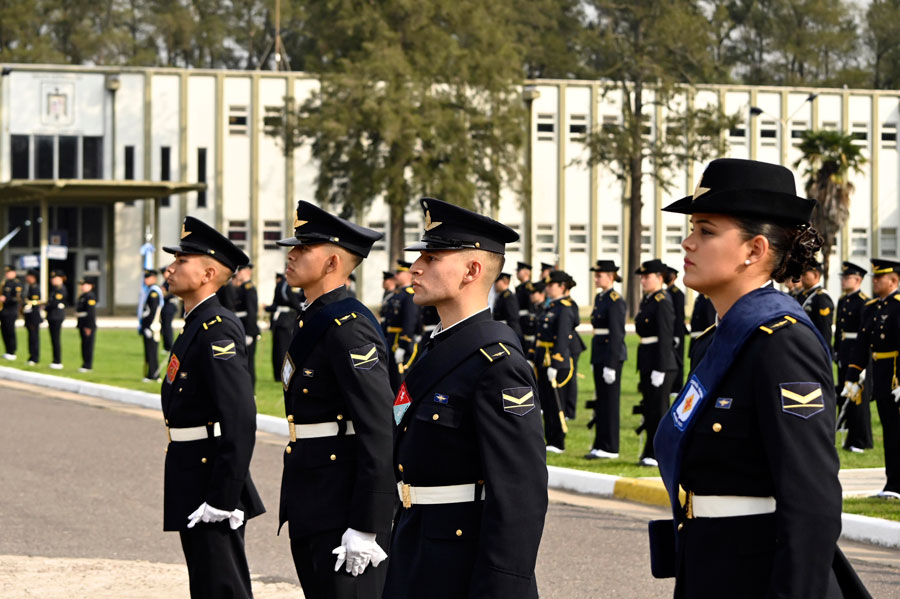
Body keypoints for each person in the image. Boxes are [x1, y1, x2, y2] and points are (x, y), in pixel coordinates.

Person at [652, 158, 864, 598]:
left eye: (706, 231)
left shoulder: (780, 342)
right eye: (692, 229)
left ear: (755, 250)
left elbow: (811, 502)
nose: (687, 243)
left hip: (759, 576)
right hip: (710, 567)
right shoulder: (719, 340)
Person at [383, 197, 547, 599]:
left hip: (461, 565)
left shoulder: (497, 364)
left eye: (433, 257)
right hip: (415, 545)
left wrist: (501, 588)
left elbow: (520, 493)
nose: (415, 267)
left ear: (472, 270)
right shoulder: (441, 346)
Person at [275, 201, 395, 598]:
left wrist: (367, 523)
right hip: (312, 496)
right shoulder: (312, 317)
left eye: (302, 248)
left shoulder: (349, 327)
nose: (291, 254)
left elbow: (378, 427)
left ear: (331, 263)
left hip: (342, 504)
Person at [160, 216, 265, 599]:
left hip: (210, 475)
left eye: (181, 261)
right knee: (206, 581)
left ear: (207, 272)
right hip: (192, 465)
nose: (170, 267)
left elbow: (239, 418)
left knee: (222, 584)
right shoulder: (195, 323)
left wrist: (223, 496)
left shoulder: (217, 326)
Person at [843, 258, 900, 500]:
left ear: (894, 280)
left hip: (897, 376)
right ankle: (892, 483)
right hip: (881, 376)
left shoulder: (898, 306)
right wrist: (851, 377)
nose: (875, 281)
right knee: (889, 432)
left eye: (880, 278)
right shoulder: (873, 307)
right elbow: (862, 345)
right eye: (874, 278)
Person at [634, 259, 677, 467]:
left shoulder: (662, 301)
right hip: (648, 360)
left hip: (661, 364)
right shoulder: (649, 300)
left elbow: (666, 336)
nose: (643, 280)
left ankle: (658, 453)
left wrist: (660, 368)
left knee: (659, 411)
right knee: (650, 409)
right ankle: (649, 451)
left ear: (659, 278)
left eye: (646, 276)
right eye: (642, 277)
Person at [586, 260, 626, 460]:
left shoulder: (615, 299)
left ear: (610, 276)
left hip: (610, 356)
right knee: (601, 401)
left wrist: (611, 364)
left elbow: (617, 334)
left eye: (599, 275)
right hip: (599, 353)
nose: (596, 278)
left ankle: (610, 447)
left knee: (610, 402)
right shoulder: (601, 298)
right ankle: (600, 444)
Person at [534, 270, 578, 453]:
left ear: (562, 287)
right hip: (543, 357)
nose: (548, 288)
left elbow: (562, 337)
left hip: (555, 360)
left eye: (551, 285)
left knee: (556, 402)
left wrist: (555, 362)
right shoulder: (551, 306)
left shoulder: (565, 307)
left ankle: (558, 441)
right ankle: (550, 438)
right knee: (546, 402)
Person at [834, 261, 873, 453]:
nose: (843, 281)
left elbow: (864, 335)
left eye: (847, 278)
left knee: (858, 397)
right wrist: (837, 350)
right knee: (845, 391)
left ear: (858, 279)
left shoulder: (864, 302)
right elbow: (839, 330)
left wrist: (863, 362)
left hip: (857, 353)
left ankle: (861, 438)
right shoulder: (843, 300)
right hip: (845, 351)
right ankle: (849, 430)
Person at [383, 259, 420, 391]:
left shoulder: (409, 295)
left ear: (408, 275)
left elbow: (409, 320)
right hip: (391, 340)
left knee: (401, 379)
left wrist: (404, 344)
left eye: (399, 273)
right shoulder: (397, 295)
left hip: (399, 340)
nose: (396, 276)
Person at [268, 272, 303, 382]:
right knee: (284, 349)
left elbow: (275, 303)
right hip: (287, 319)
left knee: (277, 349)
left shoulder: (280, 284)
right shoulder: (289, 284)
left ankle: (278, 375)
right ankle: (284, 375)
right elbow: (294, 302)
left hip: (278, 319)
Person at [798, 261, 835, 352]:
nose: (801, 278)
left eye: (804, 274)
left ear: (816, 275)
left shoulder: (821, 297)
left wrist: (823, 351)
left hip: (814, 347)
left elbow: (824, 328)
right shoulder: (801, 295)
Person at [233, 264, 259, 388]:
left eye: (240, 270)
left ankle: (251, 390)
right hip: (241, 328)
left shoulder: (249, 288)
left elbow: (252, 312)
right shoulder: (242, 287)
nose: (238, 273)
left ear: (247, 272)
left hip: (247, 330)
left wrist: (249, 333)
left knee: (249, 363)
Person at [664, 266, 687, 394]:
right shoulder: (666, 292)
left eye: (668, 274)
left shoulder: (677, 293)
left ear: (674, 277)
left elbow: (679, 316)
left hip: (677, 332)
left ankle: (677, 387)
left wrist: (677, 334)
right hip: (669, 332)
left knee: (678, 359)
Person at [140, 269, 163, 382]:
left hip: (152, 326)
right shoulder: (149, 290)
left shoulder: (154, 292)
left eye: (148, 277)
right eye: (145, 277)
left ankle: (154, 375)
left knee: (152, 350)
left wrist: (148, 326)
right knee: (148, 350)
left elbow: (153, 312)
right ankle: (150, 374)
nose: (145, 280)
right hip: (148, 325)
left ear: (154, 278)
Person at [492, 272, 523, 342]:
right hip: (501, 332)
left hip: (507, 334)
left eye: (497, 281)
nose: (495, 284)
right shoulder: (501, 296)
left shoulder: (509, 297)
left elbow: (513, 319)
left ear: (504, 281)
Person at [46, 270, 67, 369]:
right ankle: (55, 360)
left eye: (55, 278)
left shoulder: (61, 289)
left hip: (57, 316)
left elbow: (54, 303)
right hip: (51, 316)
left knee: (56, 339)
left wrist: (46, 307)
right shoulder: (54, 289)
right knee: (53, 339)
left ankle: (57, 361)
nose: (53, 280)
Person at [75, 277, 97, 372]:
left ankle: (88, 365)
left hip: (88, 324)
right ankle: (84, 364)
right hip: (82, 323)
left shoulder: (90, 296)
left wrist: (89, 326)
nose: (82, 287)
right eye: (82, 285)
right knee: (84, 345)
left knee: (88, 345)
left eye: (84, 285)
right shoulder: (83, 296)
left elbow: (91, 313)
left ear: (90, 286)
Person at [1, 265, 22, 360]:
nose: (7, 274)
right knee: (4, 331)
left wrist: (6, 299)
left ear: (14, 273)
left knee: (10, 331)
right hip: (3, 310)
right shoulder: (4, 283)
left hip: (11, 311)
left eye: (9, 272)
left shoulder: (16, 284)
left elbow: (17, 298)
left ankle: (12, 351)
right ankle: (7, 350)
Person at [688, 292, 716, 357]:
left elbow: (710, 323)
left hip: (704, 344)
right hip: (697, 342)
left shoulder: (707, 298)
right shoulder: (700, 297)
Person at [23, 269, 41, 365]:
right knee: (31, 338)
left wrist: (26, 304)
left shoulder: (35, 288)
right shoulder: (30, 287)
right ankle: (31, 357)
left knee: (34, 338)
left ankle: (35, 358)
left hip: (33, 316)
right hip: (29, 316)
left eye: (28, 276)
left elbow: (35, 303)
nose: (27, 278)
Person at [160, 272, 181, 353]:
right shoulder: (166, 281)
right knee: (164, 327)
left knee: (167, 327)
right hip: (165, 306)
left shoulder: (171, 281)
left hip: (169, 306)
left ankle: (169, 346)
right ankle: (167, 346)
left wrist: (163, 293)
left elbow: (171, 293)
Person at [514, 261, 535, 341]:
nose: (517, 273)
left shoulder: (529, 287)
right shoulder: (520, 287)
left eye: (519, 271)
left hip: (526, 322)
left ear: (526, 272)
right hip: (519, 321)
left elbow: (531, 307)